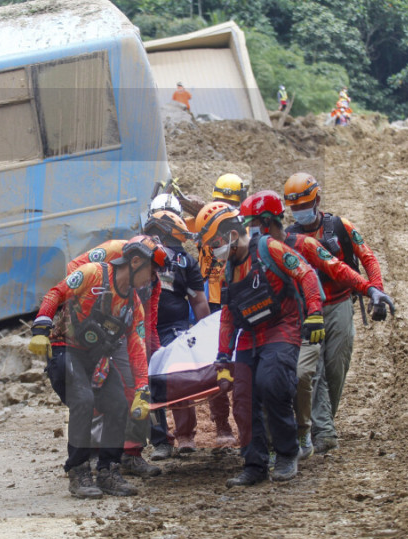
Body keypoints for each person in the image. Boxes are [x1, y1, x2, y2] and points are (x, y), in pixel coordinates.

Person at [240, 190, 389, 461]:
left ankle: (313, 430)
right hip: (291, 320)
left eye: (251, 224)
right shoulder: (255, 252)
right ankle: (306, 434)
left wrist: (372, 289)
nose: (248, 231)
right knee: (297, 376)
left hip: (330, 306)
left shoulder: (309, 241)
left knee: (330, 369)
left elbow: (338, 268)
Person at [193, 202, 324, 487]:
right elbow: (228, 315)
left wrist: (314, 312)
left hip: (281, 326)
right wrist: (223, 356)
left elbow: (306, 273)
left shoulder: (269, 248)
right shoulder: (228, 269)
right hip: (249, 335)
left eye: (214, 244)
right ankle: (254, 464)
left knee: (272, 383)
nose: (213, 250)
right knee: (243, 399)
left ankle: (287, 454)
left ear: (231, 235)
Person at [29, 235, 169, 498]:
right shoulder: (93, 273)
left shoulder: (133, 305)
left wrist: (141, 389)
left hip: (97, 358)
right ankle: (79, 471)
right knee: (83, 400)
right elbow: (56, 292)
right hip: (65, 349)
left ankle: (108, 471)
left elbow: (137, 347)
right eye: (152, 272)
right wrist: (40, 327)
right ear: (135, 262)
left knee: (118, 404)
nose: (152, 279)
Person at [283, 172, 394, 455]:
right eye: (294, 207)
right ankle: (323, 430)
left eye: (304, 205)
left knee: (336, 366)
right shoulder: (290, 237)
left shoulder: (341, 227)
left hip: (340, 302)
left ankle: (323, 423)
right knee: (312, 370)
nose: (300, 211)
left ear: (317, 200)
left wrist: (376, 292)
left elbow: (367, 257)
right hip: (308, 310)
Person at [141, 208, 211, 457]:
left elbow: (198, 300)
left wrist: (206, 334)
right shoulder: (138, 254)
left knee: (177, 377)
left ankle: (185, 435)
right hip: (142, 328)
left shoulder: (186, 262)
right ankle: (160, 440)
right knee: (146, 382)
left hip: (174, 328)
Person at [195, 174, 248, 449]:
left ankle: (236, 424)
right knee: (219, 363)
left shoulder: (242, 229)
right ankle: (223, 423)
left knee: (234, 362)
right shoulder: (208, 224)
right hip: (214, 300)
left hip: (232, 298)